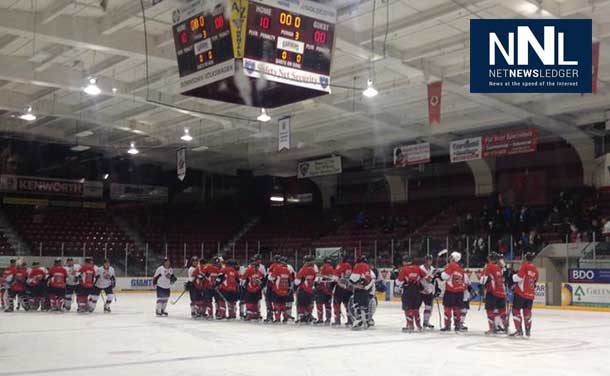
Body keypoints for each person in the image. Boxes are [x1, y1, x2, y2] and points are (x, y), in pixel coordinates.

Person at [396, 255, 427, 332]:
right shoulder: (417, 268)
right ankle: (419, 326)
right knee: (416, 309)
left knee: (408, 309)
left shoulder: (404, 269)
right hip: (417, 291)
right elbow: (425, 276)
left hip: (408, 291)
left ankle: (410, 325)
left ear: (405, 261)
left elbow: (399, 281)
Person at [511, 253, 539, 337]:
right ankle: (528, 330)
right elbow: (534, 282)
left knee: (516, 311)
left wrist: (512, 276)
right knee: (527, 312)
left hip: (521, 293)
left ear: (526, 259)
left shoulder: (525, 266)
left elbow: (519, 277)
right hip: (530, 295)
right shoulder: (535, 270)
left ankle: (519, 330)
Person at [440, 251, 469, 332]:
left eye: (450, 257)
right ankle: (457, 325)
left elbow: (445, 277)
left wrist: (442, 272)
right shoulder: (461, 269)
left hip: (450, 291)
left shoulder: (451, 265)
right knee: (457, 309)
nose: (449, 258)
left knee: (447, 308)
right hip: (459, 292)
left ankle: (447, 326)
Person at [480, 253, 508, 334]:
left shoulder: (489, 266)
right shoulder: (499, 267)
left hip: (492, 292)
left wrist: (482, 286)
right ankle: (506, 327)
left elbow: (482, 279)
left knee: (490, 310)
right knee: (502, 311)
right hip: (501, 292)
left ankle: (492, 328)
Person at [348, 255, 376, 329]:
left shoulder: (358, 266)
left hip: (360, 290)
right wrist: (367, 287)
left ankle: (359, 321)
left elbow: (353, 280)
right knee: (365, 306)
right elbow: (372, 279)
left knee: (357, 305)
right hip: (368, 291)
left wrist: (353, 284)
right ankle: (367, 321)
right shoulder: (368, 268)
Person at [268, 257, 293, 323]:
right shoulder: (287, 270)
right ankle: (285, 318)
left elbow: (271, 278)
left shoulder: (277, 268)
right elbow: (291, 280)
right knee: (283, 305)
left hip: (277, 290)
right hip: (285, 290)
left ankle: (277, 318)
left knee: (276, 305)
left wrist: (269, 275)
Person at [240, 256, 265, 321]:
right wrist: (261, 286)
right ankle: (255, 315)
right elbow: (264, 280)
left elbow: (243, 279)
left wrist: (243, 287)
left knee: (250, 303)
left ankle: (250, 315)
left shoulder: (249, 270)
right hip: (256, 290)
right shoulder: (259, 272)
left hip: (250, 290)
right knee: (254, 302)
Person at [294, 255, 317, 324]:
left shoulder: (302, 269)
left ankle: (303, 317)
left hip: (303, 290)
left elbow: (296, 282)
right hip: (311, 290)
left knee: (301, 304)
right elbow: (317, 279)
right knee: (309, 304)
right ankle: (308, 315)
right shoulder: (314, 269)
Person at [333, 255, 353, 326]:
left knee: (336, 304)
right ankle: (350, 320)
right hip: (348, 288)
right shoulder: (350, 266)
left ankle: (337, 320)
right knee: (348, 305)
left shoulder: (340, 265)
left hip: (340, 288)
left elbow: (335, 277)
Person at [314, 258, 335, 325]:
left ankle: (320, 319)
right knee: (328, 305)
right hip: (329, 290)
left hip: (321, 289)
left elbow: (318, 279)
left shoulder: (322, 268)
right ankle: (328, 319)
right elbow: (333, 280)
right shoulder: (332, 268)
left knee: (319, 304)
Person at [419, 255, 436, 329]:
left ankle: (426, 321)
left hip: (429, 291)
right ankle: (415, 322)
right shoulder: (420, 268)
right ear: (425, 261)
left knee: (428, 307)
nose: (429, 261)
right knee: (416, 308)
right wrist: (421, 288)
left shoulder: (432, 269)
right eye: (428, 260)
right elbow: (418, 279)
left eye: (430, 260)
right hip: (420, 291)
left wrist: (435, 290)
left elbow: (432, 281)